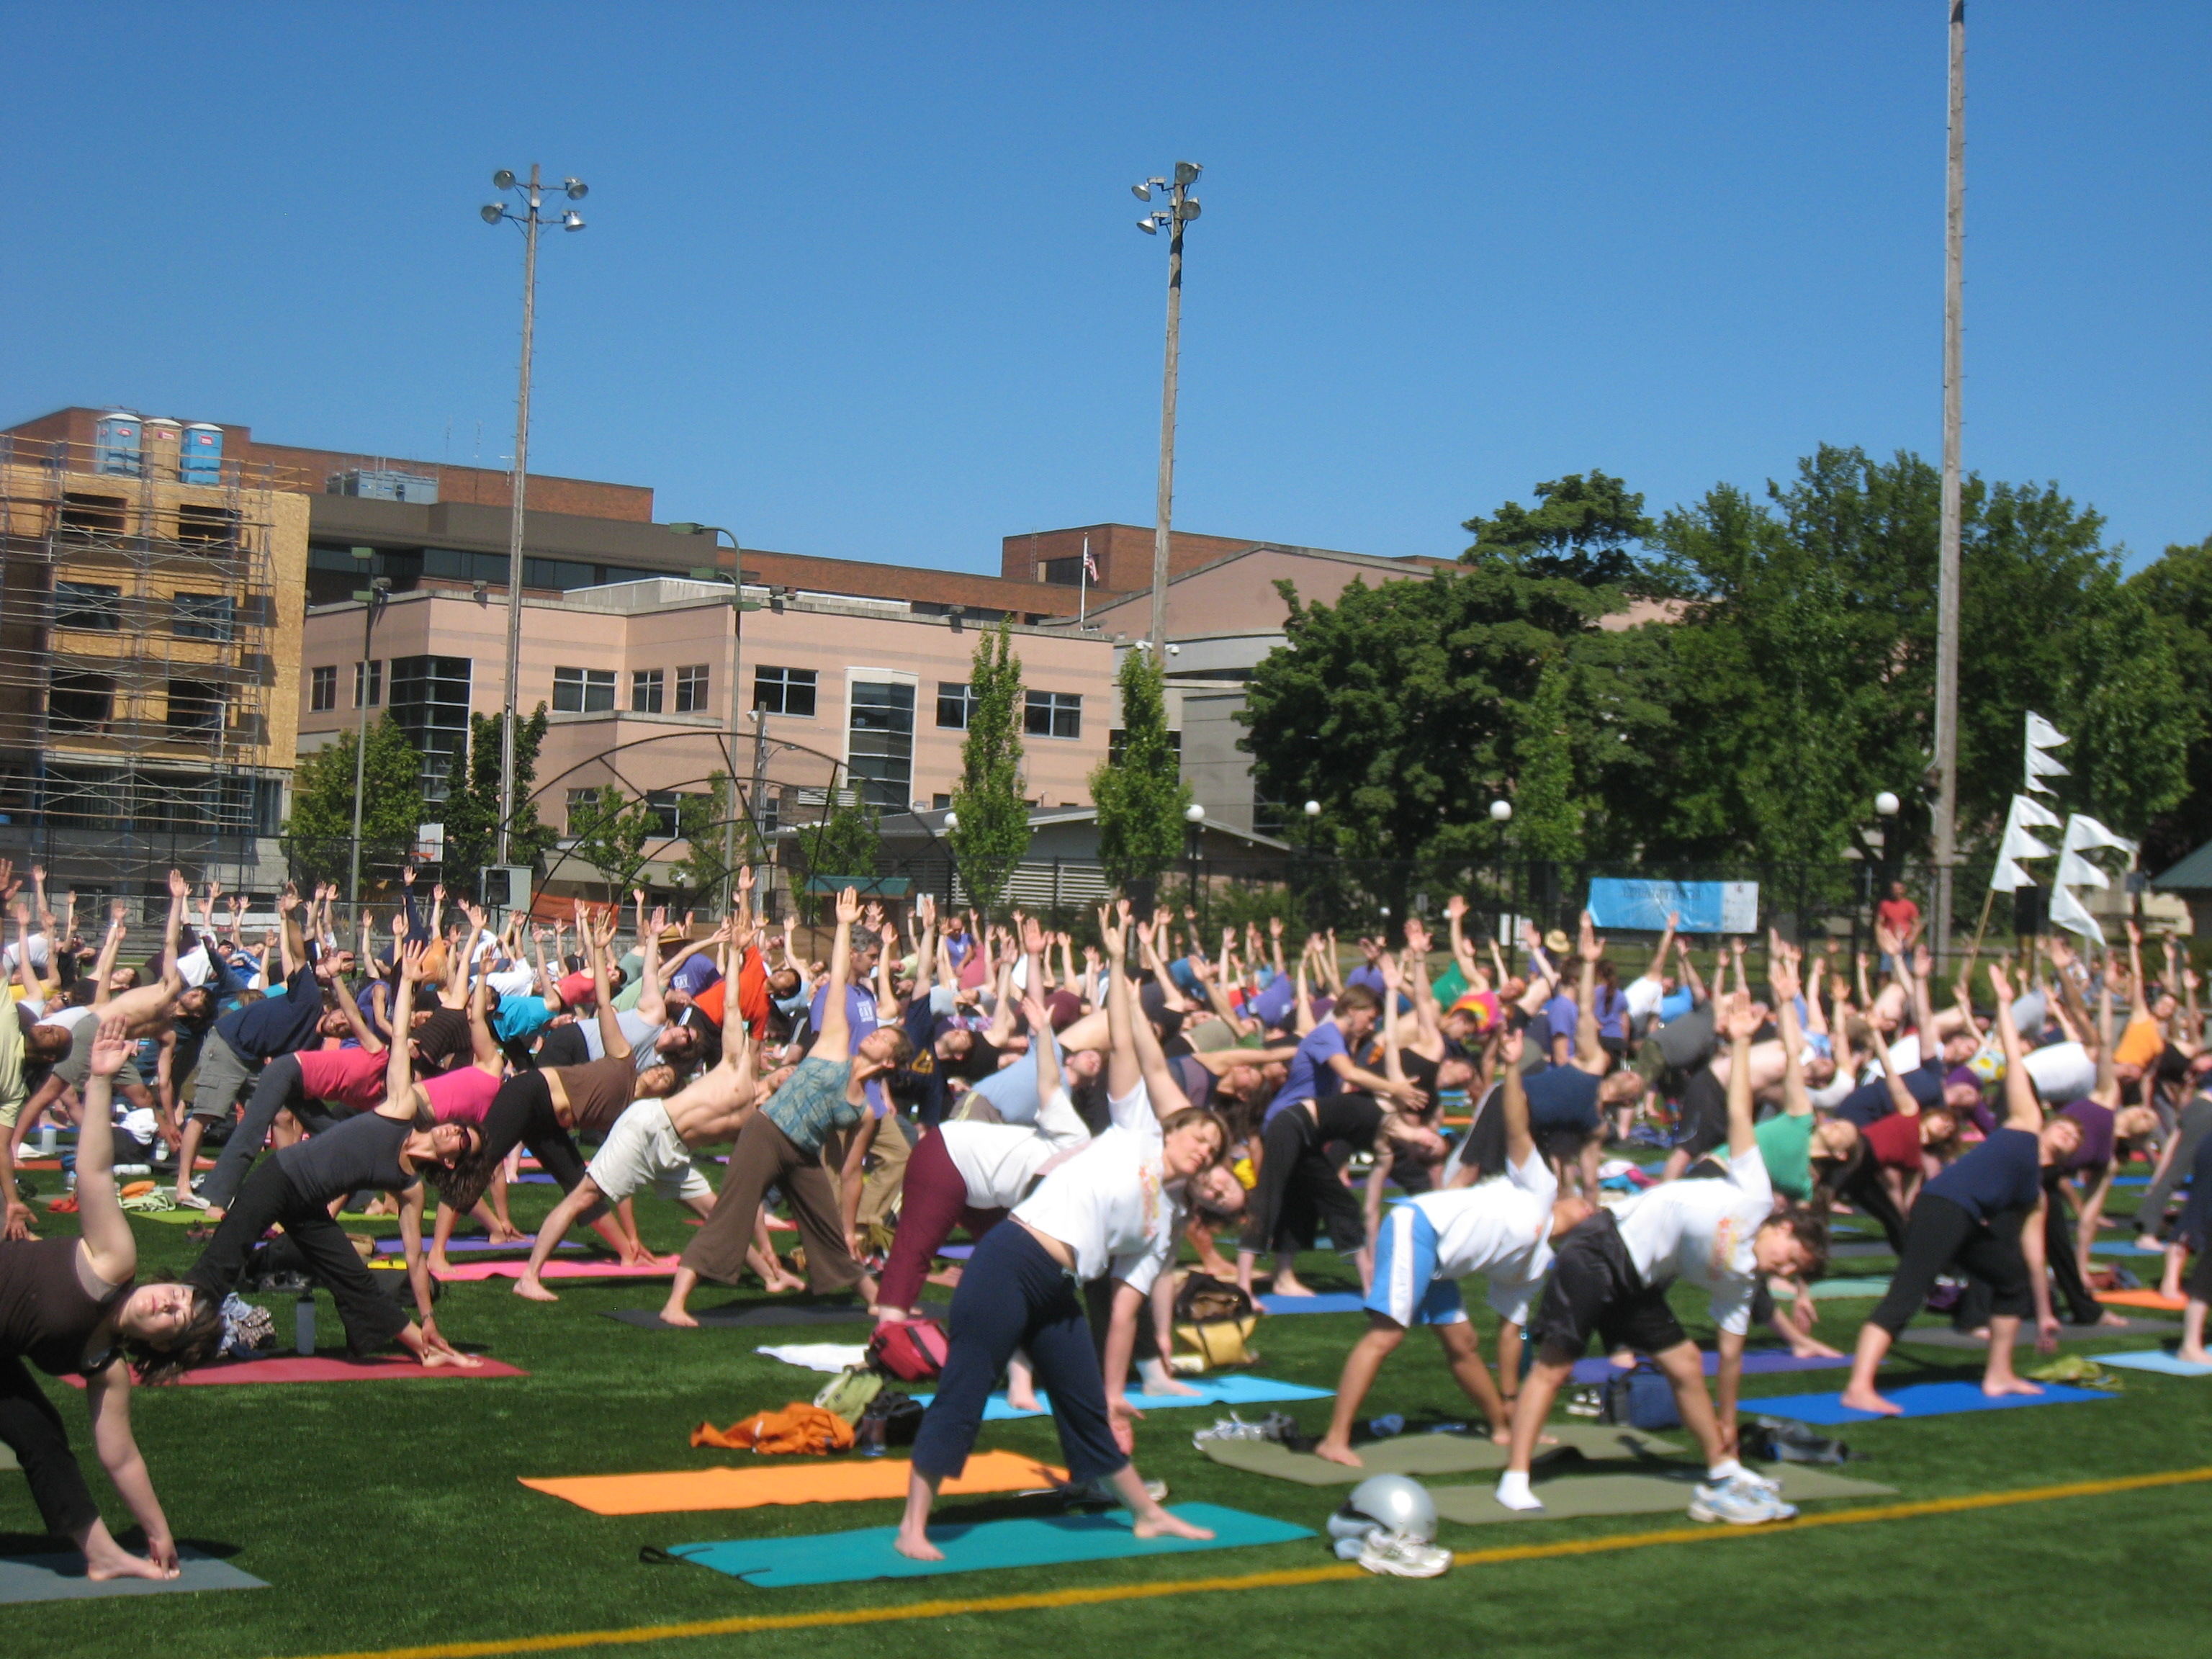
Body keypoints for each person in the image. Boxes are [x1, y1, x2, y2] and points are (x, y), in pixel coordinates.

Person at [892, 908, 1236, 1562]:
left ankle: (1145, 1513)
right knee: (965, 1388)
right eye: (1197, 1134)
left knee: (1085, 1406)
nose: (1202, 1148)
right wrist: (1117, 959)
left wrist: (1115, 1392)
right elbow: (1128, 1046)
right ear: (1176, 1131)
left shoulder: (1164, 1225)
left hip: (1057, 1287)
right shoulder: (1136, 1133)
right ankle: (913, 1524)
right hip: (1010, 1260)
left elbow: (1127, 1309)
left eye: (1213, 1149)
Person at [1493, 992, 1825, 1523]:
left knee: (1687, 1363)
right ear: (1782, 1226)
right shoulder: (1755, 1195)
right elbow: (1739, 1110)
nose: (1784, 1270)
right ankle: (1515, 1477)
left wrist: (1730, 1424)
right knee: (1555, 1367)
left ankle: (1721, 1468)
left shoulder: (1742, 1281)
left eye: (1793, 1272)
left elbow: (1732, 1359)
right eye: (1791, 1256)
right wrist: (1739, 1044)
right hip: (1597, 1251)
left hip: (1638, 1280)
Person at [0, 1015, 221, 1581]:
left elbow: (119, 1456)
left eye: (172, 1321)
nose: (164, 1305)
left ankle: (100, 1553)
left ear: (159, 1345)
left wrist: (157, 1529)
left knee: (39, 1434)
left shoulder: (105, 1365)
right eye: (175, 1296)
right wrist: (99, 1082)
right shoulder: (113, 1261)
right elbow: (95, 1172)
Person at [186, 946, 483, 1367]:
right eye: (459, 1126)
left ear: (452, 1161)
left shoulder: (411, 1188)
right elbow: (398, 1037)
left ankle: (422, 1345)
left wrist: (429, 1315)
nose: (454, 1130)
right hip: (281, 1178)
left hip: (306, 1206)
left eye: (463, 1141)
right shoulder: (400, 1110)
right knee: (225, 1256)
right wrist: (409, 986)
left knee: (354, 1278)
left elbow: (415, 1258)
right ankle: (177, 1327)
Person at [1314, 1022, 1591, 1465]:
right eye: (1588, 1203)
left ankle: (1503, 1427)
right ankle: (1335, 1438)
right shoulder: (1541, 1187)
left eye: (1594, 1215)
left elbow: (1510, 1330)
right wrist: (1512, 1067)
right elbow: (1517, 1128)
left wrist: (1512, 1396)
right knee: (1386, 1335)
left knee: (1461, 1342)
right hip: (1418, 1226)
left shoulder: (1537, 1265)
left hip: (1440, 1259)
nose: (1589, 1206)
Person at [659, 889, 913, 1326]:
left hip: (802, 1153)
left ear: (889, 1061)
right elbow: (836, 983)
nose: (872, 1035)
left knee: (830, 1228)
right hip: (768, 1132)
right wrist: (846, 926)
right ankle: (675, 1305)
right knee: (731, 1215)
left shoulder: (866, 1111)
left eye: (882, 1040)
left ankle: (872, 1297)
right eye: (877, 1033)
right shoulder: (834, 1044)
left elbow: (852, 1173)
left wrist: (852, 1226)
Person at [1837, 965, 2077, 1415]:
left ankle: (1999, 1373)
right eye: (2065, 1132)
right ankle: (1859, 1386)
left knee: (2012, 1282)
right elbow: (2013, 1061)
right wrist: (2006, 1005)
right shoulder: (2025, 1125)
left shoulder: (2034, 1193)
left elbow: (2033, 1256)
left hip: (1964, 1219)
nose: (2068, 1140)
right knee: (1908, 1292)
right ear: (2051, 1125)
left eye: (2074, 1144)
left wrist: (2045, 1313)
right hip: (1943, 1206)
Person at [515, 938, 788, 1301]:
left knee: (719, 1212)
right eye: (790, 1072)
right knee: (584, 1197)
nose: (789, 1073)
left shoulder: (760, 1118)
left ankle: (769, 1276)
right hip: (649, 1128)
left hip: (672, 1150)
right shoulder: (736, 1074)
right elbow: (733, 1006)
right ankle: (529, 1277)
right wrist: (737, 956)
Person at [873, 981, 1090, 1322]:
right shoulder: (1073, 1130)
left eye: (1099, 1060)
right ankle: (888, 1326)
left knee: (1011, 1251)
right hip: (952, 1153)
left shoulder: (1082, 1176)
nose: (1094, 1060)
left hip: (983, 1181)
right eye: (1091, 1053)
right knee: (917, 1241)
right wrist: (1044, 1032)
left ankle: (1024, 1322)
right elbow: (1047, 1079)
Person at [1236, 954, 1448, 1298]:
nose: (1371, 1025)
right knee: (1270, 1197)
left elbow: (1390, 1040)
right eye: (1369, 1017)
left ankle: (1296, 1279)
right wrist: (1395, 1089)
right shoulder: (1326, 1035)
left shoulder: (1348, 1048)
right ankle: (1243, 1286)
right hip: (1286, 1123)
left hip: (1308, 1129)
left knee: (1322, 1202)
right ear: (1353, 1009)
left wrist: (1393, 991)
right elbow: (1350, 1073)